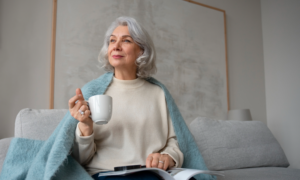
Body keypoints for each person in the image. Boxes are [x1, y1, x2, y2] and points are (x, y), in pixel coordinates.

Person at [69, 16, 184, 179]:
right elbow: (80, 160)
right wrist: (86, 127)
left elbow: (175, 140)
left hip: (149, 174)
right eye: (112, 41)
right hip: (104, 174)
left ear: (141, 50)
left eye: (126, 41)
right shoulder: (92, 93)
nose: (116, 46)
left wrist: (168, 157)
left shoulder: (159, 93)